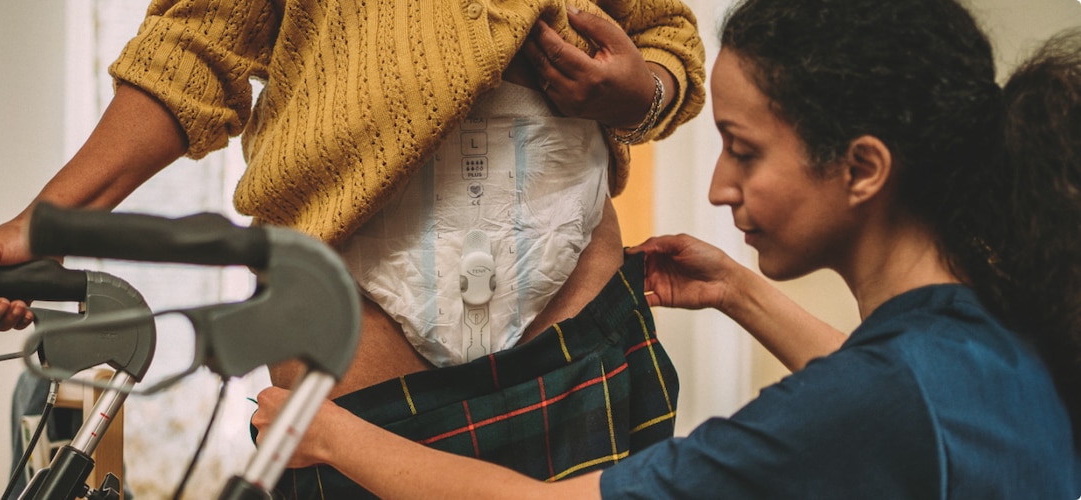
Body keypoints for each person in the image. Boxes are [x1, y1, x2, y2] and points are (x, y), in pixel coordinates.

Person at [251, 0, 1081, 496]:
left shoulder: (861, 407)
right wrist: (738, 290)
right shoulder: (996, 334)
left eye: (744, 149)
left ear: (863, 168)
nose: (719, 187)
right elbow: (886, 391)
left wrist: (331, 439)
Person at [0, 0, 708, 496]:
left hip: (577, 334)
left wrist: (648, 92)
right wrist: (45, 224)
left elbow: (667, 36)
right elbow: (189, 53)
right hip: (362, 353)